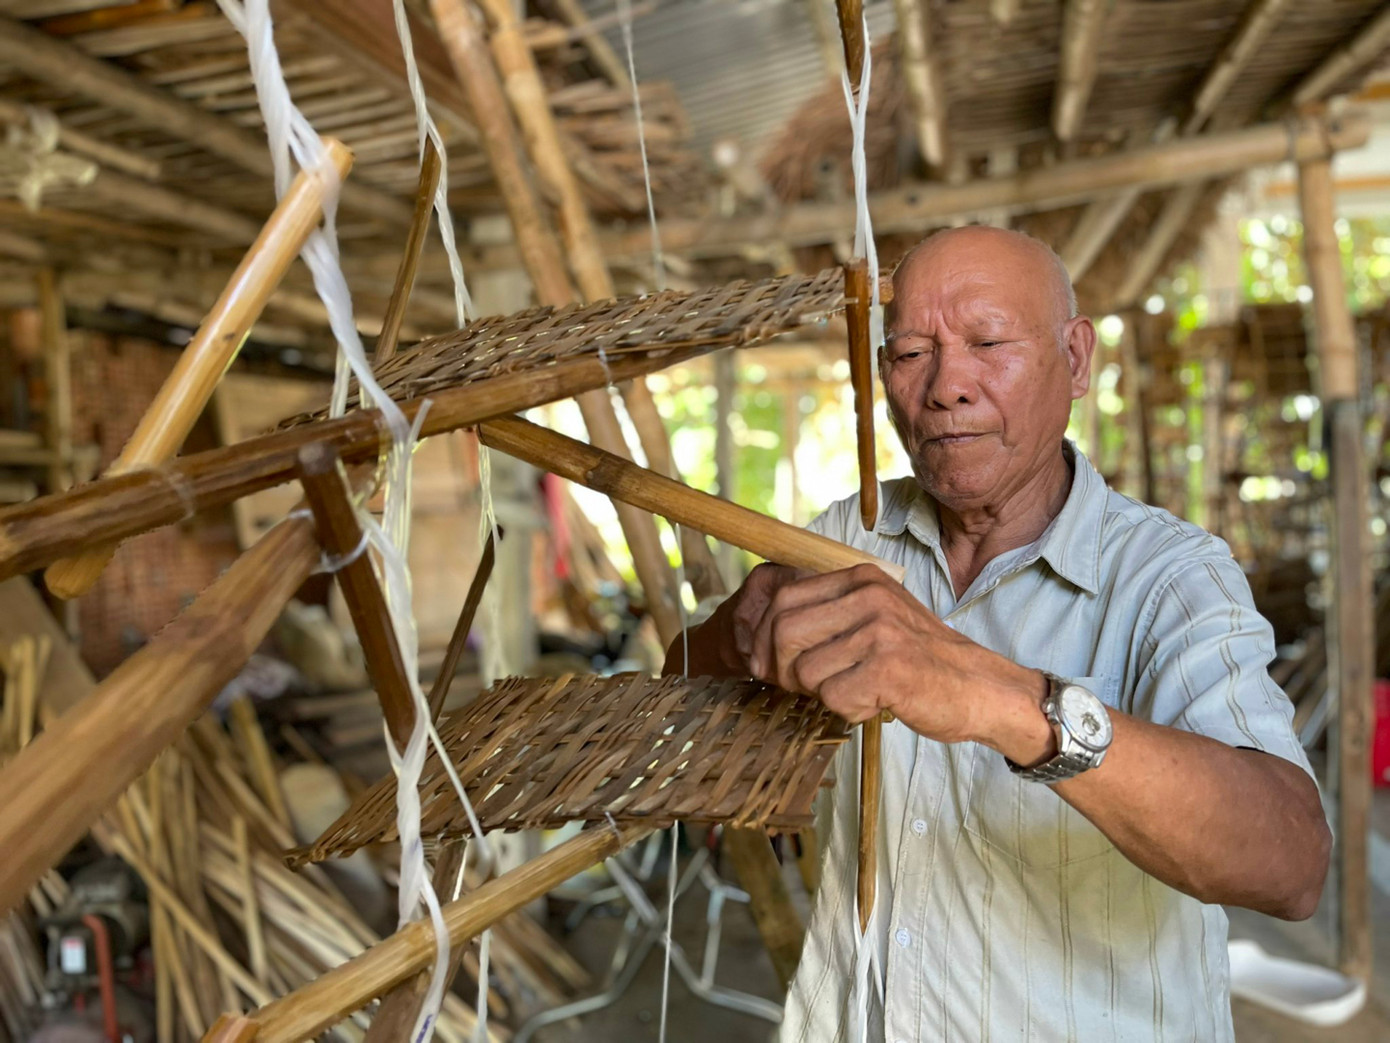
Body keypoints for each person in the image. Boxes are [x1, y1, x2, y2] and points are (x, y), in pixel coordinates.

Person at [666, 226, 1330, 1041]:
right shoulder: (844, 539)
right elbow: (678, 702)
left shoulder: (1168, 576)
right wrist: (740, 630)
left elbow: (1291, 864)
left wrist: (1002, 700)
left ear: (1076, 360)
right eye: (912, 353)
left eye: (988, 343)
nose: (948, 386)